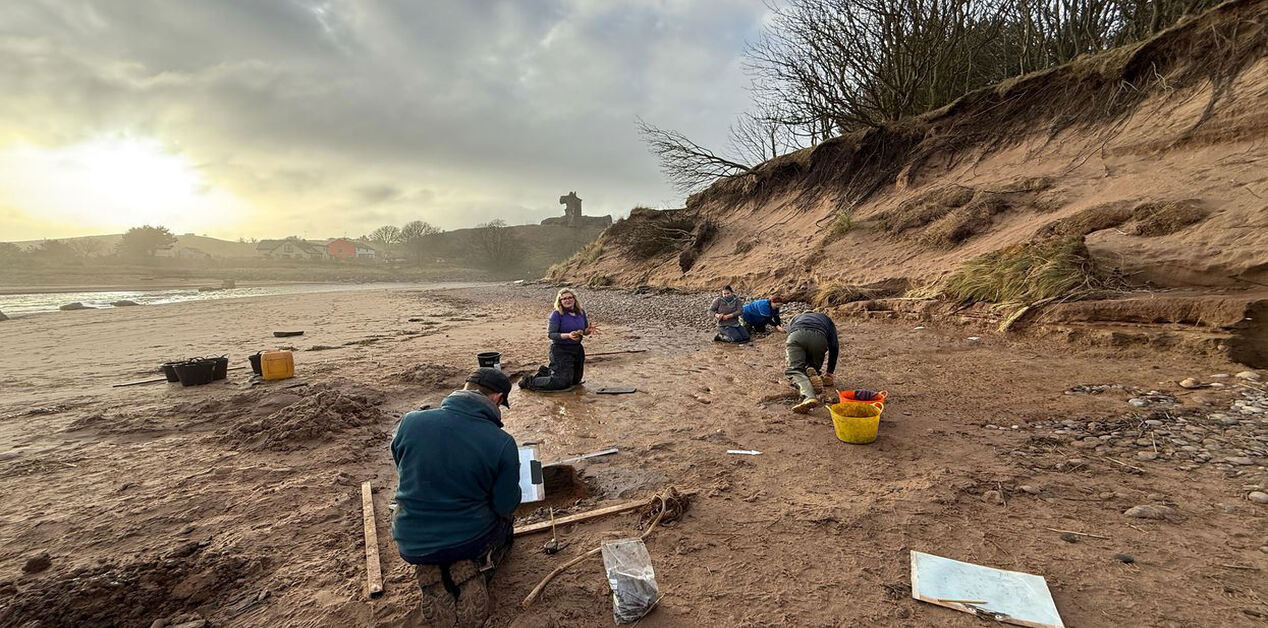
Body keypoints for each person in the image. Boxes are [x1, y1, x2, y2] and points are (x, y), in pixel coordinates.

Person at [391, 367, 521, 626]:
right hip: (469, 539)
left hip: (410, 540)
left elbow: (403, 468)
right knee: (506, 523)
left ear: (464, 387)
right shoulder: (502, 442)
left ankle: (433, 568)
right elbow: (505, 504)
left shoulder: (410, 422)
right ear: (497, 398)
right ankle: (481, 564)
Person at [520, 288, 593, 391]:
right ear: (560, 301)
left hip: (577, 349)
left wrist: (588, 330)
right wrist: (568, 335)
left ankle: (546, 371)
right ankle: (529, 381)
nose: (567, 300)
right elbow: (551, 334)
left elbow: (583, 331)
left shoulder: (581, 312)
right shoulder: (557, 314)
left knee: (575, 381)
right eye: (564, 299)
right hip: (560, 349)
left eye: (569, 297)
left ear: (574, 299)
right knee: (561, 383)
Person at [784, 311, 839, 414]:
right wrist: (829, 372)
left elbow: (790, 335)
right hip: (819, 338)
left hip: (796, 335)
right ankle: (814, 374)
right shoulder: (825, 318)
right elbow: (834, 346)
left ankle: (809, 396)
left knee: (794, 370)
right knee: (813, 366)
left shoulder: (795, 318)